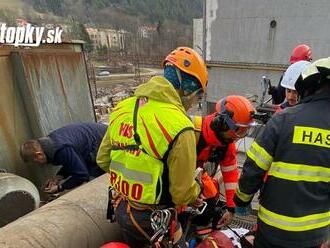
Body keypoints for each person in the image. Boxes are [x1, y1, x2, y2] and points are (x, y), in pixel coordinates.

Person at [97, 47, 208, 247]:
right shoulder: (180, 126)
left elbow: (103, 160)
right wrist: (198, 187)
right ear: (189, 88)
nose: (194, 101)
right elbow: (181, 194)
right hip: (155, 221)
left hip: (122, 208)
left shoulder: (122, 108)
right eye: (198, 95)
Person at [234, 58, 330, 248]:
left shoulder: (283, 120)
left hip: (273, 229)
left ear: (309, 86)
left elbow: (254, 168)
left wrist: (241, 200)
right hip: (314, 235)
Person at [190, 95, 256, 229]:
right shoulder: (191, 131)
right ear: (221, 123)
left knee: (211, 196)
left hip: (194, 185)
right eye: (239, 129)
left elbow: (231, 175)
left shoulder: (226, 144)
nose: (240, 135)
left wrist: (231, 209)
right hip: (176, 188)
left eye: (246, 130)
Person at [20, 122, 107, 194]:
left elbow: (81, 175)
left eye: (36, 162)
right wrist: (58, 177)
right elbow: (71, 162)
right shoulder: (49, 144)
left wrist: (60, 187)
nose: (38, 165)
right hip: (94, 142)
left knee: (92, 180)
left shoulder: (61, 149)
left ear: (39, 154)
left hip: (103, 142)